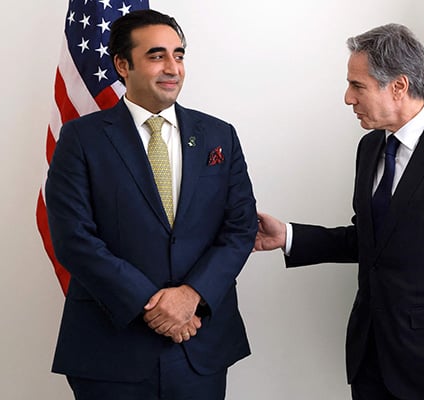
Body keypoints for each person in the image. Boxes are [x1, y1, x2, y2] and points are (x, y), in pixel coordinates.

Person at [254, 23, 424, 400]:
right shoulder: (370, 148)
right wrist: (290, 236)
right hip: (370, 358)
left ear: (398, 86)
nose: (348, 98)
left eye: (357, 85)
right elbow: (373, 241)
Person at [45, 9, 257, 400]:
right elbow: (73, 237)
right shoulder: (81, 139)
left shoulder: (219, 136)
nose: (172, 68)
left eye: (179, 55)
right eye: (157, 56)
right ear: (122, 65)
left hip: (199, 343)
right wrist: (153, 305)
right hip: (112, 346)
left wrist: (191, 296)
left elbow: (240, 229)